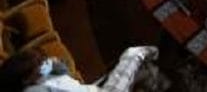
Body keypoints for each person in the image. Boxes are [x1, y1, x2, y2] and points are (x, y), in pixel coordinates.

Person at [0, 45, 161, 92]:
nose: (44, 63)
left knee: (144, 72)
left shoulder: (41, 75)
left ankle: (154, 78)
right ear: (25, 79)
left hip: (90, 88)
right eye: (40, 64)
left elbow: (66, 75)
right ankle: (155, 54)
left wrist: (55, 66)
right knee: (134, 53)